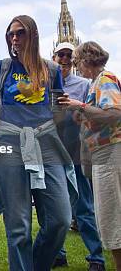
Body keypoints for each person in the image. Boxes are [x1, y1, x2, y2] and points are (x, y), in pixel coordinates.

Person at [0, 15, 77, 271]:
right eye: (10, 34)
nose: (14, 38)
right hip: (10, 145)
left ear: (33, 35)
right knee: (18, 227)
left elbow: (57, 111)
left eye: (20, 33)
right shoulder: (1, 68)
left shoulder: (52, 70)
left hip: (46, 143)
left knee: (60, 219)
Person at [58, 41, 121, 270]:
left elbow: (114, 114)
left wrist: (80, 106)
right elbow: (100, 116)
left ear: (86, 60)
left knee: (111, 218)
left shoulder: (104, 79)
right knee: (110, 219)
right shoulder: (97, 82)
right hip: (99, 155)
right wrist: (82, 115)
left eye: (75, 61)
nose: (75, 67)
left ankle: (101, 260)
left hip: (109, 154)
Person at [51, 42, 105, 271]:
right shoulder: (45, 85)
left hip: (76, 153)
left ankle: (96, 258)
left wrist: (76, 113)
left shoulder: (84, 84)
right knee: (54, 208)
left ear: (74, 60)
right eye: (59, 54)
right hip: (52, 154)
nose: (64, 59)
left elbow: (93, 114)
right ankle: (59, 254)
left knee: (83, 207)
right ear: (52, 57)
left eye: (68, 55)